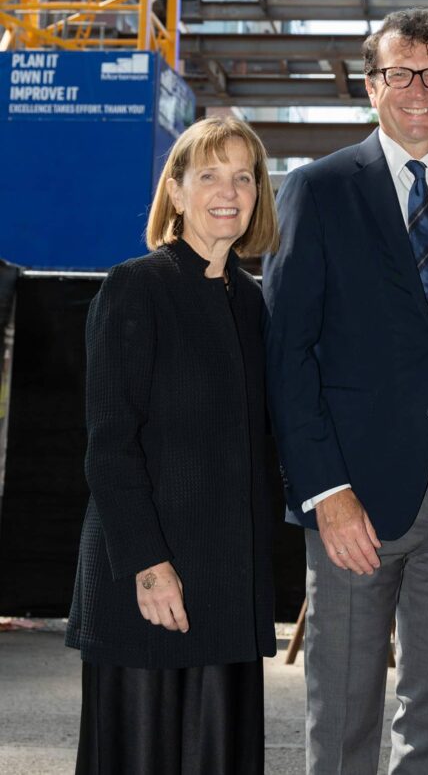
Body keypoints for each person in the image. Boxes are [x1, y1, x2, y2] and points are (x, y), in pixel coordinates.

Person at [263, 7, 428, 775]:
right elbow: (289, 355)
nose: (418, 90)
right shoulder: (316, 191)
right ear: (371, 86)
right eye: (400, 73)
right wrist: (325, 490)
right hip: (354, 492)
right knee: (344, 709)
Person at [66, 116, 280, 775]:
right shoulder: (137, 286)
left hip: (228, 582)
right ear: (177, 192)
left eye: (243, 176)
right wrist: (149, 565)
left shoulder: (254, 304)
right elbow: (109, 442)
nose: (229, 190)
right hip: (149, 579)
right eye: (209, 174)